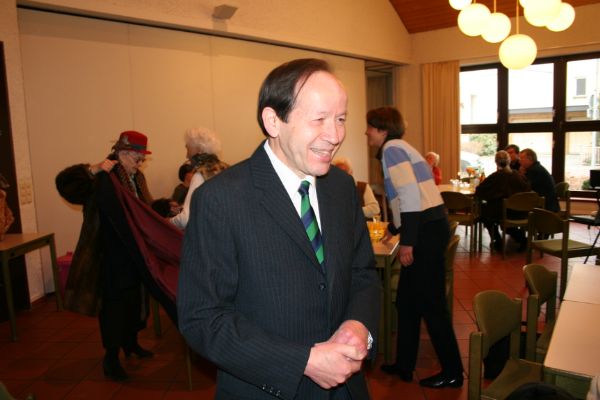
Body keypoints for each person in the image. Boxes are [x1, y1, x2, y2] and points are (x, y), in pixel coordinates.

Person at [177, 58, 381, 399]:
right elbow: (203, 318)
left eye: (341, 119)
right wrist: (302, 361)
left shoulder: (342, 187)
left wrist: (359, 325)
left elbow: (361, 273)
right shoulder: (221, 199)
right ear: (273, 121)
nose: (335, 136)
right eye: (319, 119)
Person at [365, 106, 463, 388]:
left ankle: (453, 371)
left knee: (432, 304)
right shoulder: (402, 147)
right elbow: (413, 197)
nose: (366, 132)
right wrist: (394, 229)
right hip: (428, 225)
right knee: (407, 302)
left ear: (382, 130)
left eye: (370, 127)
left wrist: (407, 241)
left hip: (425, 231)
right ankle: (404, 365)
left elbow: (409, 195)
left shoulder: (392, 149)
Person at [55, 131, 157, 382]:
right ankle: (111, 358)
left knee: (134, 302)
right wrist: (92, 169)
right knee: (114, 306)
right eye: (138, 158)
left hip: (133, 252)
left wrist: (165, 208)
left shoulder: (137, 177)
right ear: (122, 153)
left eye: (142, 158)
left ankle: (130, 344)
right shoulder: (103, 176)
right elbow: (65, 183)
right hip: (110, 253)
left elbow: (145, 208)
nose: (140, 163)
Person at [170, 127, 228, 229]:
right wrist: (182, 208)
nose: (187, 156)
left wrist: (167, 222)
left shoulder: (201, 174)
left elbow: (185, 220)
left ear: (200, 149)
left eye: (188, 149)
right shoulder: (226, 168)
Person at [475, 150, 531, 251]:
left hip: (503, 213)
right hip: (522, 212)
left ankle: (497, 240)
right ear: (509, 161)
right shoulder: (519, 175)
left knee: (484, 215)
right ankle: (523, 240)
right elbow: (528, 189)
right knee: (507, 222)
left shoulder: (495, 177)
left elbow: (480, 191)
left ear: (496, 162)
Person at [519, 148, 560, 212]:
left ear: (530, 159)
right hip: (550, 204)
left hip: (546, 207)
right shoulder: (537, 167)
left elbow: (526, 188)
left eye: (522, 158)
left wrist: (521, 175)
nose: (519, 161)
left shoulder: (534, 170)